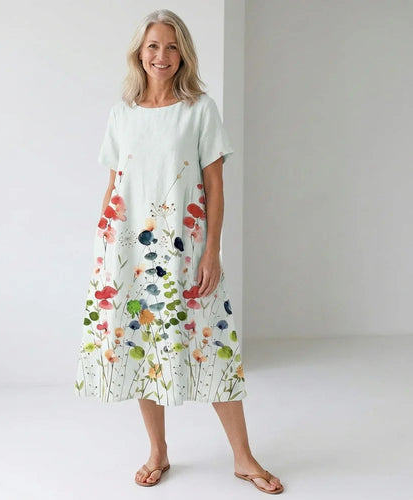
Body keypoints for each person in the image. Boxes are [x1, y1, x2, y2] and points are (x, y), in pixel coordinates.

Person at [75, 9, 284, 494]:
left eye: (172, 46)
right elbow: (114, 184)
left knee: (213, 347)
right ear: (139, 52)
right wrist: (103, 250)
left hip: (185, 250)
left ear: (183, 54)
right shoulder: (122, 113)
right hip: (127, 250)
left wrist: (212, 252)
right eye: (153, 46)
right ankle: (158, 452)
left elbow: (215, 187)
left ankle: (243, 457)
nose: (162, 55)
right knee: (141, 344)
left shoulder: (200, 110)